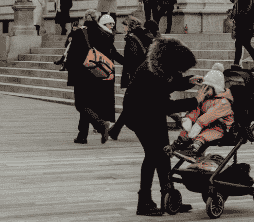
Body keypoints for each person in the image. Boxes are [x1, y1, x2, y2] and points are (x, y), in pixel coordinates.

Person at [120, 37, 200, 216]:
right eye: (179, 69)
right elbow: (165, 105)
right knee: (152, 155)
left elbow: (171, 84)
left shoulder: (165, 65)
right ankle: (144, 202)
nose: (180, 72)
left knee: (164, 153)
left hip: (153, 112)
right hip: (138, 114)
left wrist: (190, 80)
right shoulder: (149, 72)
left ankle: (168, 198)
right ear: (171, 63)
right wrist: (195, 101)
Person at [66, 12, 124, 144]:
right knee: (87, 104)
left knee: (81, 104)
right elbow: (112, 53)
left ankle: (100, 125)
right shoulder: (104, 33)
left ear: (84, 18)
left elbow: (72, 54)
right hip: (97, 74)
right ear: (97, 19)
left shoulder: (80, 32)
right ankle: (82, 135)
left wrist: (69, 70)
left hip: (82, 74)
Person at [171, 64, 236, 160]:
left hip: (220, 128)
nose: (204, 91)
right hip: (206, 125)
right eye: (203, 87)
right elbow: (196, 110)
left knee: (203, 136)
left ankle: (193, 150)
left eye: (207, 88)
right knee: (187, 132)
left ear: (216, 88)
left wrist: (197, 125)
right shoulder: (206, 99)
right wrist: (189, 120)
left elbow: (209, 115)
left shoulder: (223, 102)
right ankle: (176, 145)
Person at [108, 15, 156, 141]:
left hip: (135, 76)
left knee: (130, 104)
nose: (123, 28)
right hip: (145, 75)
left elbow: (132, 60)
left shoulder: (131, 39)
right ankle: (115, 130)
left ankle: (116, 130)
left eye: (124, 26)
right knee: (133, 104)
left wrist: (116, 56)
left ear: (129, 26)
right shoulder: (145, 36)